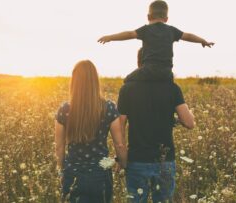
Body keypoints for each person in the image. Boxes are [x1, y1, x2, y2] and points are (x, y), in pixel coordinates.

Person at [117, 48, 195, 202]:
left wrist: (121, 157)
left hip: (136, 160)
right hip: (164, 161)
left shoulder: (127, 89)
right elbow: (189, 122)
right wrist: (178, 117)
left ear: (139, 63)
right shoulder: (172, 88)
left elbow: (120, 125)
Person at [55, 60, 127, 203]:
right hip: (100, 172)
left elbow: (59, 147)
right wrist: (121, 163)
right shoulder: (109, 107)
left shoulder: (64, 110)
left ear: (74, 81)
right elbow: (119, 145)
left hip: (72, 172)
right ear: (95, 80)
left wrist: (62, 170)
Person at [98, 0, 214, 83]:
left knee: (127, 80)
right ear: (166, 19)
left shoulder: (146, 30)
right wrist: (202, 41)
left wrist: (110, 37)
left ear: (148, 17)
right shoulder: (171, 30)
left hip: (148, 70)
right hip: (167, 72)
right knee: (169, 87)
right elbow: (188, 36)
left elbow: (129, 34)